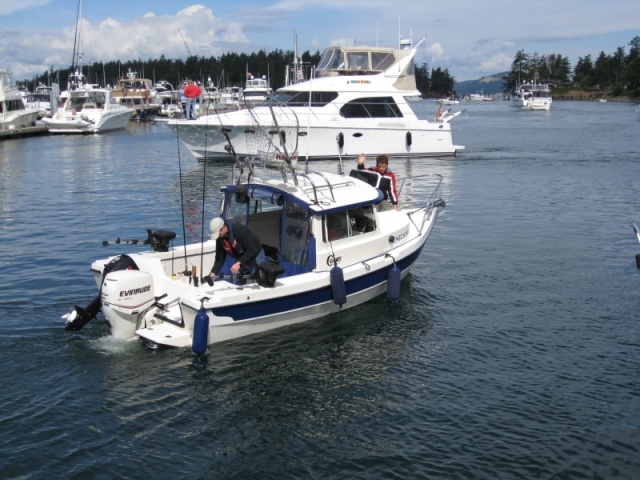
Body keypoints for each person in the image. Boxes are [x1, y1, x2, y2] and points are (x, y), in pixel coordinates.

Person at [208, 217, 266, 284]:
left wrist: (238, 263)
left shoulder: (240, 230)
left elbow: (252, 249)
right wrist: (213, 273)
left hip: (256, 255)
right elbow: (220, 258)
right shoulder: (220, 239)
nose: (217, 236)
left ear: (223, 228)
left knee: (257, 281)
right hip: (241, 257)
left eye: (218, 233)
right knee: (236, 282)